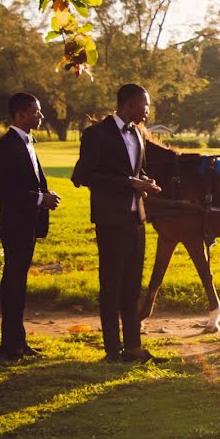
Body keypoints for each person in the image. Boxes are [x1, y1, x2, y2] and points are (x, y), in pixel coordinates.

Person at [71, 84, 163, 363]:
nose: (148, 110)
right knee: (111, 285)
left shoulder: (137, 133)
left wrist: (145, 182)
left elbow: (136, 170)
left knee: (133, 286)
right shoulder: (97, 133)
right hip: (111, 220)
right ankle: (112, 350)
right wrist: (128, 183)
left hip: (137, 219)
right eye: (145, 104)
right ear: (132, 104)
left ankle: (133, 346)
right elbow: (84, 175)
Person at [0, 93, 61, 360]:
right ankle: (10, 346)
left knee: (18, 284)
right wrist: (40, 198)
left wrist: (45, 193)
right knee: (13, 284)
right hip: (16, 226)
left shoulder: (27, 141)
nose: (41, 116)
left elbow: (31, 180)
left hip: (28, 225)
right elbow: (4, 190)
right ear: (20, 114)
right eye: (36, 112)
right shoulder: (8, 145)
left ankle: (17, 342)